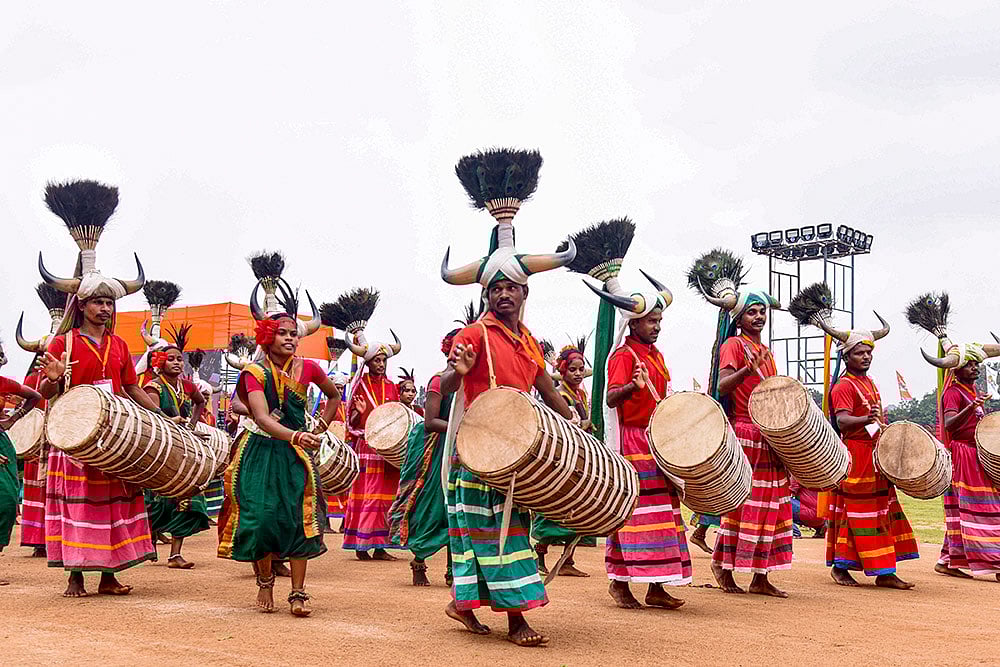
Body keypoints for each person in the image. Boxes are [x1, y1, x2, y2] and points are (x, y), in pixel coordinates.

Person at [439, 146, 577, 646]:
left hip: (515, 450)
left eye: (511, 288)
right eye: (494, 287)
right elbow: (445, 391)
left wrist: (577, 422)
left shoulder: (526, 341)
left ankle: (462, 603)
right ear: (485, 295)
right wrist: (456, 373)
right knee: (498, 537)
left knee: (493, 534)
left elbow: (545, 386)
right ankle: (517, 619)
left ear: (524, 294)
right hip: (476, 453)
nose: (503, 294)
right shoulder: (472, 336)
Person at [35, 179, 160, 597]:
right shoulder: (61, 343)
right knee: (77, 503)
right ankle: (75, 574)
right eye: (97, 302)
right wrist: (52, 379)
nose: (105, 308)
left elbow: (130, 388)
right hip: (74, 438)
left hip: (117, 436)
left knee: (115, 505)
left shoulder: (121, 345)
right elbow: (44, 392)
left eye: (110, 303)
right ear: (81, 306)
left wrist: (162, 415)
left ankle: (109, 575)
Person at [217, 280, 339, 617]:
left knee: (299, 520)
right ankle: (266, 581)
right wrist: (298, 436)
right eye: (283, 333)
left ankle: (298, 593)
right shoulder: (253, 372)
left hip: (295, 456)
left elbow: (333, 397)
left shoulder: (311, 368)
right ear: (268, 336)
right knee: (260, 519)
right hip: (259, 451)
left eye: (294, 334)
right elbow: (259, 416)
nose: (289, 338)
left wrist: (320, 426)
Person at [588, 275, 691, 609]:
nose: (656, 326)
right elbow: (611, 397)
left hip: (655, 441)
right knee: (633, 513)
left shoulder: (656, 355)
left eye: (659, 320)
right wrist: (632, 388)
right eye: (650, 320)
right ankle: (620, 584)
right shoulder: (623, 355)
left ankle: (656, 587)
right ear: (633, 322)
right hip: (633, 444)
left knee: (662, 514)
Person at [820, 315, 918, 589]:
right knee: (855, 512)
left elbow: (873, 422)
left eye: (869, 352)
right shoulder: (843, 386)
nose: (866, 357)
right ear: (847, 356)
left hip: (874, 456)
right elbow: (842, 421)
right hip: (855, 456)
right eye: (860, 353)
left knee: (880, 512)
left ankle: (884, 570)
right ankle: (841, 568)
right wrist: (867, 420)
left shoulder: (870, 383)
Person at [708, 291, 793, 597]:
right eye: (752, 312)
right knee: (742, 504)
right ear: (739, 319)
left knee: (771, 506)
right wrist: (747, 367)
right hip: (744, 432)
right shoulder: (733, 345)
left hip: (768, 434)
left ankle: (761, 575)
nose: (759, 316)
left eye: (761, 311)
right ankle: (723, 566)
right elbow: (722, 384)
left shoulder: (766, 351)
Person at [918, 330, 1000, 581]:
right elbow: (950, 424)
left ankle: (947, 560)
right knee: (982, 508)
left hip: (976, 453)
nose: (975, 368)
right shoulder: (953, 392)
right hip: (962, 455)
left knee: (963, 509)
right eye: (969, 364)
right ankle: (995, 563)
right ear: (957, 369)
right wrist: (971, 407)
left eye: (977, 363)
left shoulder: (972, 389)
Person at [389, 331, 457, 586]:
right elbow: (430, 422)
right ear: (449, 351)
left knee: (457, 509)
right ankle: (418, 561)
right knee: (430, 507)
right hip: (434, 449)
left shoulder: (475, 381)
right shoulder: (438, 381)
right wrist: (460, 427)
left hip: (462, 447)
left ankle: (455, 571)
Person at [142, 328, 210, 569]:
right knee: (158, 502)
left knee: (187, 497)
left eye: (179, 359)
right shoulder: (153, 387)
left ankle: (175, 554)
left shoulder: (188, 386)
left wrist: (191, 424)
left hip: (183, 449)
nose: (177, 363)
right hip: (160, 449)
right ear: (160, 362)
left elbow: (201, 402)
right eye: (171, 358)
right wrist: (171, 422)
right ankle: (147, 543)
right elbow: (150, 415)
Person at [531, 342, 596, 578]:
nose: (578, 374)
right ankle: (539, 553)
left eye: (581, 369)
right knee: (552, 507)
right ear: (564, 371)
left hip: (579, 459)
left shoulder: (582, 394)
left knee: (577, 508)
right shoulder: (558, 394)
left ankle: (568, 559)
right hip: (559, 460)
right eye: (573, 370)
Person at [14, 282, 66, 557]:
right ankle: (38, 538)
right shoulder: (32, 378)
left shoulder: (70, 364)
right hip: (40, 441)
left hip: (66, 434)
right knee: (37, 485)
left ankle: (57, 537)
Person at [342, 329, 404, 560]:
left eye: (384, 360)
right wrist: (359, 414)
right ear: (367, 363)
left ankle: (380, 546)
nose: (381, 364)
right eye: (377, 360)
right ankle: (361, 545)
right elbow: (352, 421)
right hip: (367, 447)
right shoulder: (360, 385)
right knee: (368, 494)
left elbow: (397, 415)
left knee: (386, 496)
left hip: (388, 450)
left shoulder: (391, 386)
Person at [0, 368, 43, 585]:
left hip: (1, 444)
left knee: (7, 503)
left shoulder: (5, 383)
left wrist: (13, 419)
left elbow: (35, 396)